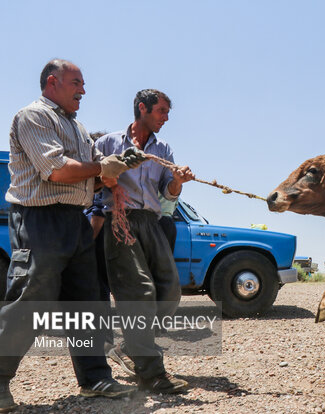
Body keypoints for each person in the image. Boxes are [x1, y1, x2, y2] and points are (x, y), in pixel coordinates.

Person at [0, 59, 143, 412]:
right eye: (76, 82)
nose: (83, 89)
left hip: (74, 219)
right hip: (39, 219)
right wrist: (101, 168)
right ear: (52, 82)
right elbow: (56, 171)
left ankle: (95, 377)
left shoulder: (77, 127)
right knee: (32, 299)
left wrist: (118, 166)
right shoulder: (33, 116)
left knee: (87, 299)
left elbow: (93, 176)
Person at [95, 89, 194, 394]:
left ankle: (132, 345)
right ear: (142, 108)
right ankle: (152, 374)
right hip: (119, 221)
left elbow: (168, 194)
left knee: (169, 291)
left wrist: (178, 180)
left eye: (167, 112)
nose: (165, 117)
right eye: (161, 111)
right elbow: (93, 181)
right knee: (139, 292)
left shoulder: (163, 148)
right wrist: (112, 172)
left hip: (151, 222)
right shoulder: (107, 143)